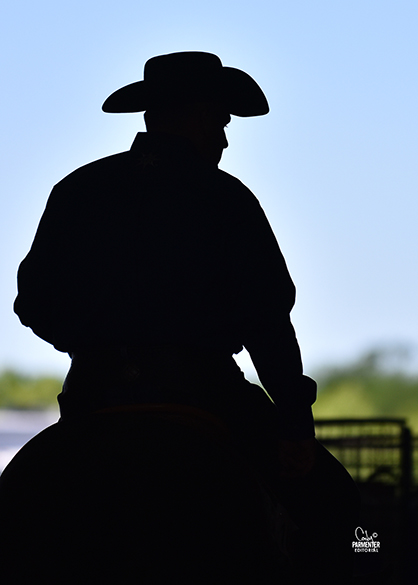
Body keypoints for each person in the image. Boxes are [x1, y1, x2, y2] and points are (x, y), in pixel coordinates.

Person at [5, 52, 359, 582]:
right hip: (205, 392)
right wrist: (294, 422)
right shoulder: (227, 197)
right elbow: (268, 319)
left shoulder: (76, 190)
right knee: (341, 510)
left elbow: (32, 303)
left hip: (94, 392)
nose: (224, 140)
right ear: (196, 116)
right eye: (220, 124)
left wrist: (97, 340)